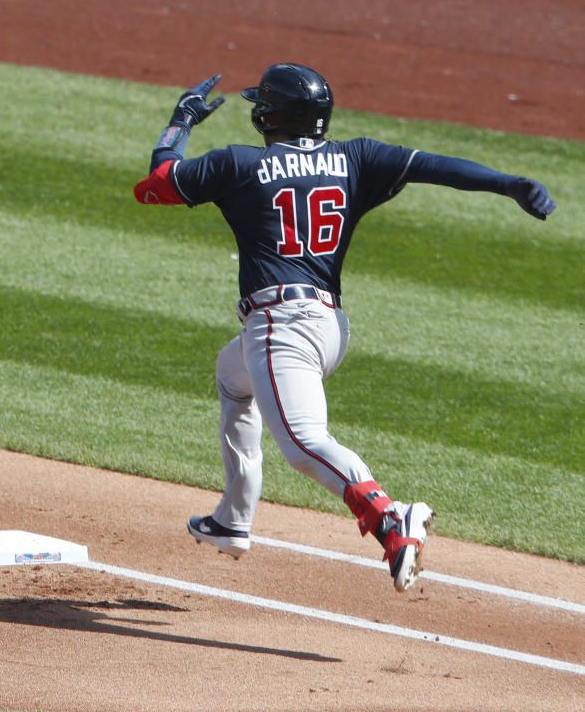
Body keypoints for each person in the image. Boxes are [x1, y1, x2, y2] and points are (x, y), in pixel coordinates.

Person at [133, 64, 555, 591]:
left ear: (267, 116)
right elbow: (435, 166)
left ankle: (390, 517)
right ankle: (232, 518)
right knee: (231, 378)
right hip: (329, 328)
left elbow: (153, 186)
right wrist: (508, 183)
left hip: (280, 328)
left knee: (303, 443)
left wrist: (181, 122)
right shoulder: (357, 158)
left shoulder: (238, 165)